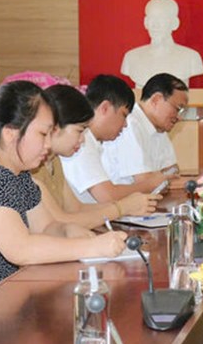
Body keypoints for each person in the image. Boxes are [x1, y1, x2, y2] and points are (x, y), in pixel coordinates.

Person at [0, 81, 127, 297]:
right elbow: (20, 249)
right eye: (42, 134)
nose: (48, 144)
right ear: (10, 133)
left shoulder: (18, 173)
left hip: (16, 291)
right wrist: (92, 248)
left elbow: (45, 227)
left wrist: (68, 231)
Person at [32, 84, 161, 228]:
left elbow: (76, 208)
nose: (82, 139)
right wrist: (121, 208)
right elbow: (59, 221)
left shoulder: (54, 161)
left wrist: (126, 206)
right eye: (79, 131)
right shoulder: (33, 169)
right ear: (54, 128)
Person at [60, 74, 173, 204]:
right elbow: (108, 196)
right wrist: (149, 185)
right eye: (123, 115)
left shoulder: (92, 141)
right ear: (105, 108)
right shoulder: (82, 142)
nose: (125, 125)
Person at [102, 73, 187, 185]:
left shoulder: (159, 127)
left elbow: (173, 170)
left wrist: (159, 177)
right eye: (178, 109)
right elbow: (145, 182)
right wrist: (160, 177)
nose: (179, 118)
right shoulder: (130, 125)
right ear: (156, 100)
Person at [120, 0, 203, 88]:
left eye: (162, 18)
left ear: (175, 23)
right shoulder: (131, 57)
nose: (155, 25)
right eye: (152, 18)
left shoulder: (191, 57)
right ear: (146, 22)